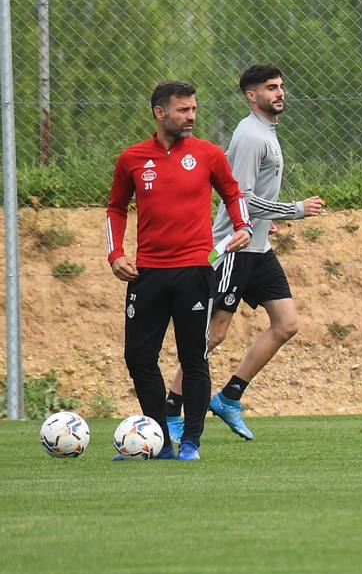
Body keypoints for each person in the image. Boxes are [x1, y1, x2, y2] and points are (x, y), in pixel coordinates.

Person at [166, 65, 326, 442]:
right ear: (251, 96)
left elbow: (253, 200)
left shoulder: (266, 132)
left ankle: (229, 397)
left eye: (282, 86)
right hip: (234, 249)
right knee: (212, 335)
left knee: (286, 323)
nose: (280, 92)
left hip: (258, 245)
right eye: (271, 88)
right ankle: (171, 409)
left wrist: (264, 221)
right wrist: (294, 210)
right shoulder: (252, 135)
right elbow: (242, 198)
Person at [106, 81, 251, 461]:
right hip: (147, 274)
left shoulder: (208, 154)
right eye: (183, 110)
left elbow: (233, 194)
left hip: (195, 272)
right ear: (160, 113)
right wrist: (115, 253)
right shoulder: (132, 158)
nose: (191, 117)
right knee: (138, 357)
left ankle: (191, 443)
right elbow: (116, 208)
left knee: (194, 359)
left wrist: (243, 227)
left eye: (193, 109)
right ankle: (158, 443)